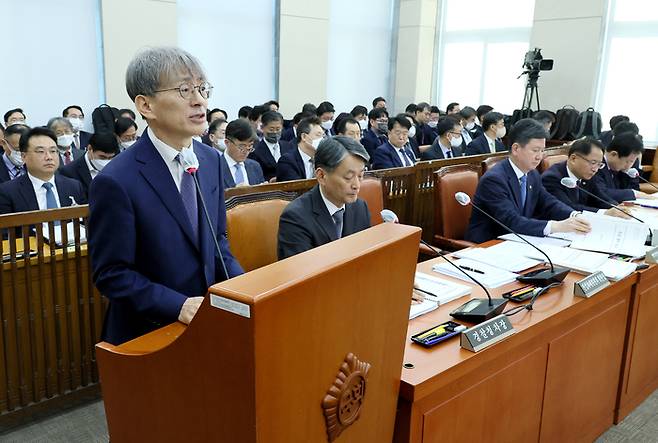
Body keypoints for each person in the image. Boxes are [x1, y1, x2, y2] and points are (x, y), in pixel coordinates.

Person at [88, 46, 243, 345]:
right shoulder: (116, 180)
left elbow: (217, 240)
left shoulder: (211, 160)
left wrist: (245, 288)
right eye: (184, 89)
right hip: (150, 333)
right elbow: (111, 273)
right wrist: (179, 305)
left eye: (202, 88)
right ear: (146, 106)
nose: (200, 100)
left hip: (206, 323)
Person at [465, 119, 591, 243]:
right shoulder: (494, 180)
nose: (539, 157)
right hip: (487, 245)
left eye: (542, 151)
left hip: (519, 240)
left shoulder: (532, 174)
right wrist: (556, 226)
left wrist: (574, 215)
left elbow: (548, 202)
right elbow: (511, 221)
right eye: (535, 150)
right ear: (515, 149)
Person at [277, 135, 371, 259]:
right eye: (348, 177)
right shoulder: (295, 217)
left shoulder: (360, 207)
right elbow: (302, 274)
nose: (357, 185)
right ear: (321, 176)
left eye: (360, 176)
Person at [0, 126, 86, 214]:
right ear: (23, 156)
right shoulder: (8, 192)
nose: (49, 157)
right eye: (40, 151)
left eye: (53, 151)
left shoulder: (74, 186)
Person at [542, 138, 627, 217]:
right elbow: (568, 208)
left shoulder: (587, 175)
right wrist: (604, 213)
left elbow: (599, 197)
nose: (595, 169)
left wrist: (616, 207)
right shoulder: (552, 178)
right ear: (573, 159)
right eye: (593, 163)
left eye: (599, 164)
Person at [592, 131, 651, 202]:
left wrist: (631, 177)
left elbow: (631, 189)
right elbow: (601, 193)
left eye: (632, 162)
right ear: (614, 154)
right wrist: (633, 193)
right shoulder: (596, 165)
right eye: (627, 161)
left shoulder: (617, 169)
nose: (629, 165)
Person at [60, 132, 120, 199]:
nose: (106, 161)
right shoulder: (69, 172)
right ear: (90, 148)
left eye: (110, 158)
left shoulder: (119, 166)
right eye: (102, 157)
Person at [248, 110, 295, 181]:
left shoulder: (288, 146)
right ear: (262, 128)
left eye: (278, 129)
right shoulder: (255, 150)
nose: (275, 132)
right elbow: (254, 175)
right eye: (271, 129)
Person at [220, 119, 265, 188]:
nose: (246, 151)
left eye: (250, 146)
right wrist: (234, 192)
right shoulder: (215, 167)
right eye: (241, 146)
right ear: (227, 142)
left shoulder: (255, 166)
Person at [276, 116, 324, 181]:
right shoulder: (287, 161)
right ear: (304, 137)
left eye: (323, 136)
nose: (322, 140)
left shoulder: (323, 159)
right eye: (318, 135)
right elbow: (295, 188)